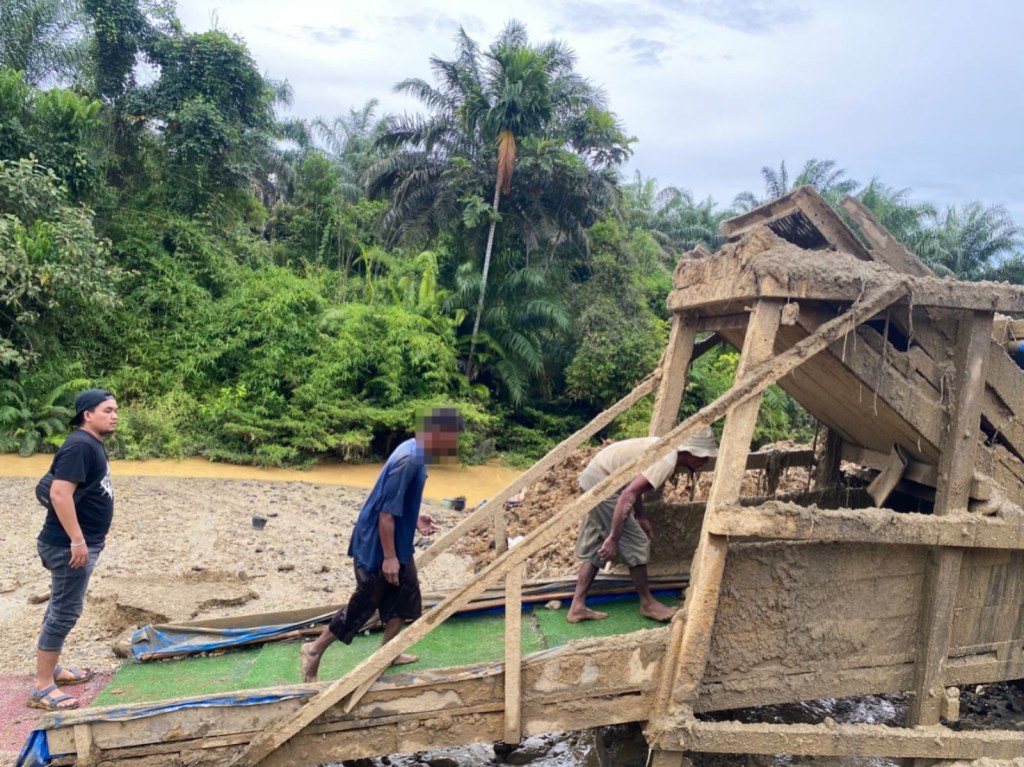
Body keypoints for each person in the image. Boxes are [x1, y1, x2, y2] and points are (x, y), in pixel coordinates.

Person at [300, 408, 464, 683]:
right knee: (364, 604)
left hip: (398, 542)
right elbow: (385, 514)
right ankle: (314, 649)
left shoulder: (418, 453)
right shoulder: (407, 460)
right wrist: (389, 557)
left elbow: (397, 502)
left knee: (405, 597)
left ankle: (387, 654)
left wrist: (415, 518)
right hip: (377, 547)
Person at [566, 427, 719, 624]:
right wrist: (614, 538)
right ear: (689, 452)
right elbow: (627, 495)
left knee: (597, 544)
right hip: (602, 485)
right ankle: (647, 603)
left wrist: (641, 516)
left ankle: (577, 607)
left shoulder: (664, 448)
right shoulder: (667, 460)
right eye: (702, 456)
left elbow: (631, 483)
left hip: (594, 480)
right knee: (636, 542)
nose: (704, 461)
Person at [28, 388, 118, 711]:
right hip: (68, 546)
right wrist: (77, 541)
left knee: (60, 605)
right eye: (107, 410)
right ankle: (42, 687)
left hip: (75, 542)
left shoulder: (90, 444)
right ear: (87, 415)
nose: (114, 416)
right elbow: (58, 493)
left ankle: (52, 671)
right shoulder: (80, 445)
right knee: (65, 611)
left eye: (115, 410)